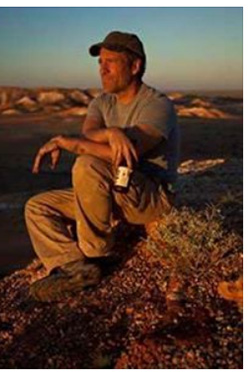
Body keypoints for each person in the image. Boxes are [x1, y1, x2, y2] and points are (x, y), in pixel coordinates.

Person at [25, 31, 179, 301]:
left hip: (149, 196)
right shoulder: (101, 102)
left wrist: (69, 142)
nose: (102, 69)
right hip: (111, 192)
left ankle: (97, 254)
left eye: (111, 62)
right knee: (38, 207)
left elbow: (121, 155)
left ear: (135, 66)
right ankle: (77, 268)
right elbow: (90, 133)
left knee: (87, 164)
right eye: (100, 63)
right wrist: (111, 133)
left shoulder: (158, 105)